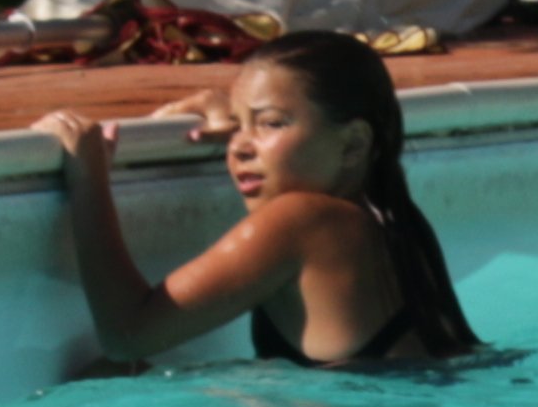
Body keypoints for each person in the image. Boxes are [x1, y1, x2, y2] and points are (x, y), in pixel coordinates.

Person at [43, 31, 484, 372]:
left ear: (353, 145)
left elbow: (126, 337)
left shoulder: (302, 220)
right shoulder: (393, 219)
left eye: (271, 123)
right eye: (238, 124)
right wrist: (243, 112)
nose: (239, 146)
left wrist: (89, 179)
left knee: (105, 375)